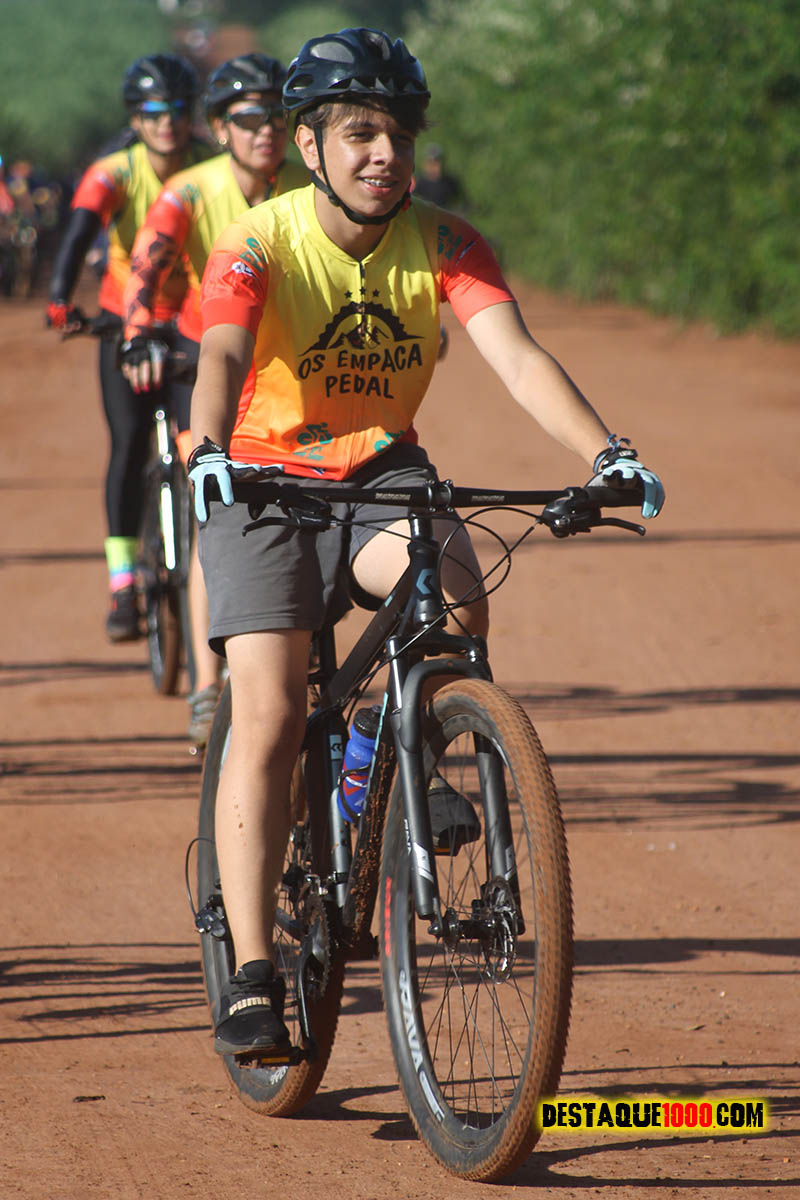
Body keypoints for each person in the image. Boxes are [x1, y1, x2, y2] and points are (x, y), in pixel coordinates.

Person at [186, 27, 664, 1058]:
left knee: (453, 599)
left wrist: (606, 453)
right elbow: (221, 349)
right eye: (359, 132)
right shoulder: (258, 240)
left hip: (378, 473)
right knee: (269, 710)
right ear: (308, 144)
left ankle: (385, 752)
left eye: (398, 135)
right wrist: (205, 444)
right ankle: (254, 974)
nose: (383, 154)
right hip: (258, 480)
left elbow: (517, 356)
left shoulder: (445, 242)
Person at [120, 53, 309, 750]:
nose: (267, 130)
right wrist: (138, 334)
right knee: (215, 511)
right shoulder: (190, 191)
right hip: (206, 359)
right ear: (221, 128)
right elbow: (147, 265)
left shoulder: (308, 187)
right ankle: (206, 687)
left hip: (285, 368)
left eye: (278, 117)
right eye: (250, 118)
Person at [46, 54, 209, 642]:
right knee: (129, 441)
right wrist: (60, 297)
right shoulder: (114, 171)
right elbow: (79, 232)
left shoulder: (210, 167)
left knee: (204, 446)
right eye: (154, 112)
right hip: (125, 321)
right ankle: (122, 582)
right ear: (136, 119)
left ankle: (211, 565)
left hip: (191, 321)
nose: (167, 123)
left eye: (178, 110)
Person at [413, 142, 465, 210]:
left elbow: (463, 201)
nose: (433, 166)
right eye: (430, 162)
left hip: (445, 214)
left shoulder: (450, 182)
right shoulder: (419, 182)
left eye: (436, 163)